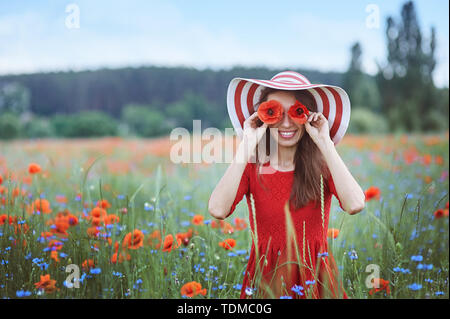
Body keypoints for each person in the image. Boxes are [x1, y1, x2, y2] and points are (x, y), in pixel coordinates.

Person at [208, 71, 365, 299]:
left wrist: (325, 142)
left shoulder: (322, 164)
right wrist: (247, 144)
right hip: (266, 279)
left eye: (296, 112)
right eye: (273, 112)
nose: (286, 122)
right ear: (262, 118)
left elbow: (355, 204)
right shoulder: (253, 166)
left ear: (309, 116)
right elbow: (217, 209)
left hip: (315, 277)